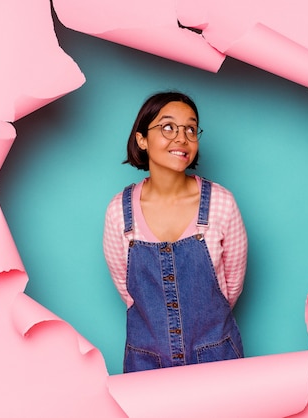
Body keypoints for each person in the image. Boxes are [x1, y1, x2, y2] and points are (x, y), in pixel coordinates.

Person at [103, 91, 248, 373]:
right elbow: (128, 291)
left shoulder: (222, 203)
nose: (181, 138)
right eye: (168, 127)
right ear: (142, 139)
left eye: (190, 129)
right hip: (145, 361)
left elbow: (230, 289)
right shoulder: (119, 211)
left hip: (217, 356)